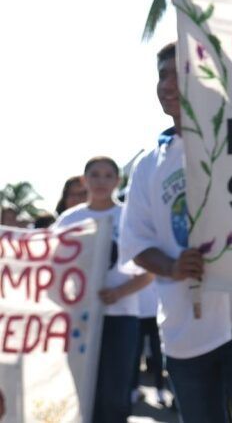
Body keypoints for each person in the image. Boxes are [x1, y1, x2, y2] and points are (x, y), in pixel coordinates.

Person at [120, 43, 232, 422]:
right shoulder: (147, 166)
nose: (167, 84)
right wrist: (174, 267)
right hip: (183, 326)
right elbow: (137, 244)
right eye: (162, 75)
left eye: (179, 73)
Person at [56, 156, 154, 423]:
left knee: (115, 391)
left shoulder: (129, 217)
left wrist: (119, 292)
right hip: (79, 319)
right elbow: (52, 267)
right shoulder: (69, 220)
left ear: (117, 181)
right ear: (84, 180)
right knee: (80, 389)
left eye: (107, 175)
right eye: (95, 175)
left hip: (121, 317)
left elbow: (149, 270)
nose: (101, 181)